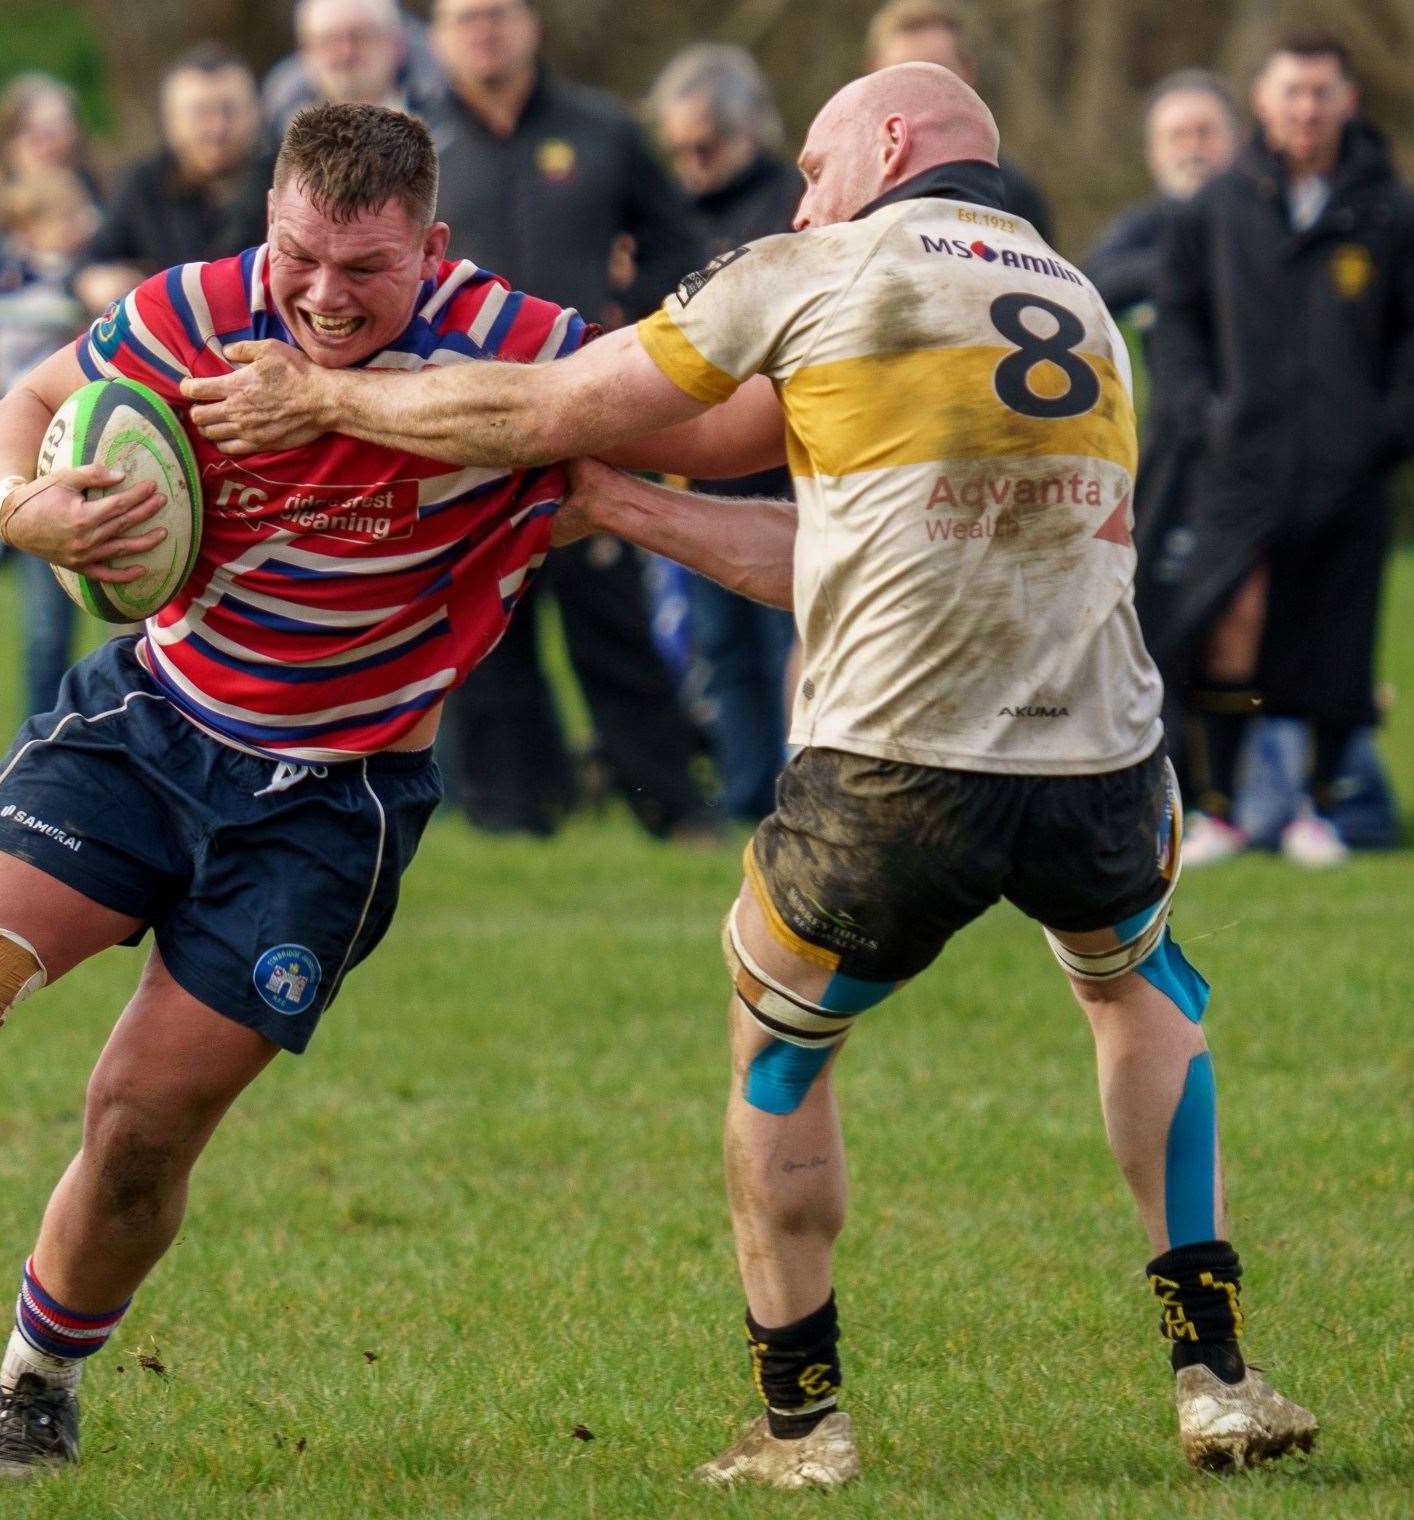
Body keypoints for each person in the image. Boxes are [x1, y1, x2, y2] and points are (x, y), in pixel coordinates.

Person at [184, 62, 1319, 1488]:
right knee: (1137, 993)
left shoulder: (816, 265)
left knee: (775, 1047)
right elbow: (829, 547)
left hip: (889, 777)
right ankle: (1215, 1376)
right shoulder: (1074, 302)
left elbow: (543, 411)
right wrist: (608, 501)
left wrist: (325, 401)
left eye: (814, 160)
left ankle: (801, 1427)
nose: (797, 193)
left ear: (890, 143)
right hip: (1101, 756)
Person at [0, 104, 599, 1479]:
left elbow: (688, 412)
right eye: (300, 258)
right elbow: (31, 404)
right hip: (149, 726)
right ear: (265, 227)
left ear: (433, 251)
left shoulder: (524, 347)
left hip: (329, 801)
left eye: (367, 272)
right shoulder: (193, 311)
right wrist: (13, 505)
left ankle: (38, 1380)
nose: (324, 299)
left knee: (139, 1133)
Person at [419, 0, 713, 839]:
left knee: (612, 619)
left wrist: (634, 321)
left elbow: (679, 247)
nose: (484, 30)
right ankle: (511, 814)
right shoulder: (415, 140)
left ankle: (672, 807)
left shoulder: (604, 129)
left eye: (498, 13)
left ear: (530, 23)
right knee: (482, 628)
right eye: (464, 17)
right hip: (462, 420)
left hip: (592, 411)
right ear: (436, 35)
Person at [1146, 30, 1414, 869]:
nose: (1306, 108)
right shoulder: (1216, 209)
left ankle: (1321, 807)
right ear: (1261, 101)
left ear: (1347, 100)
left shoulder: (1388, 211)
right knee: (1230, 622)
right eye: (1291, 92)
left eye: (1321, 92)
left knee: (1335, 638)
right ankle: (1220, 805)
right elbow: (1177, 323)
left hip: (1350, 468)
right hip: (1240, 464)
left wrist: (1385, 427)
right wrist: (1203, 412)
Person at [647, 44, 798, 821]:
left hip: (790, 470)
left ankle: (796, 794)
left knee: (789, 657)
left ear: (750, 131)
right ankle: (745, 801)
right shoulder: (669, 214)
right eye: (678, 150)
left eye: (707, 146)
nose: (693, 164)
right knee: (724, 654)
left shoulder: (795, 205)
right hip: (701, 472)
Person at [0, 167, 103, 718]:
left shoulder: (93, 275)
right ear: (31, 230)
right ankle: (44, 725)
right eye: (67, 218)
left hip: (103, 454)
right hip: (43, 465)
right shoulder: (16, 288)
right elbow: (5, 377)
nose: (83, 226)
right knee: (46, 624)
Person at [71, 45, 269, 316]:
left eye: (230, 110)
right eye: (200, 113)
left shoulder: (289, 179)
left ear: (257, 112)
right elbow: (92, 264)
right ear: (170, 120)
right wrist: (96, 282)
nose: (217, 128)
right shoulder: (142, 186)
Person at [865, 0, 1056, 242]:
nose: (916, 86)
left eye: (934, 70)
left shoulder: (1012, 198)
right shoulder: (821, 190)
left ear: (967, 73)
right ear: (873, 74)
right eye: (901, 72)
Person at [1085, 71, 1240, 318]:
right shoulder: (1139, 225)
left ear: (1236, 141)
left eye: (1205, 133)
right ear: (1152, 153)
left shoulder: (1264, 214)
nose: (1192, 149)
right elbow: (1095, 283)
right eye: (1177, 136)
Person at [0, 74, 98, 300]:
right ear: (8, 144)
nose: (50, 145)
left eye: (61, 129)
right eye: (35, 133)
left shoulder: (110, 206)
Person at [260, 0, 444, 137]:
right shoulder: (281, 142)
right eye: (329, 41)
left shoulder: (442, 129)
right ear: (306, 53)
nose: (345, 52)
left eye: (360, 37)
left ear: (396, 44)